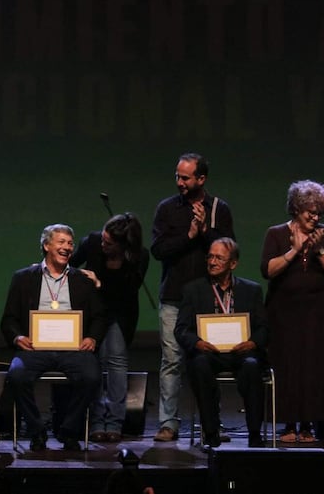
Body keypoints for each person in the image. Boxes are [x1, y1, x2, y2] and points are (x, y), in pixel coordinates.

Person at [0, 223, 108, 451]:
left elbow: (99, 317)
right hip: (35, 349)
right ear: (46, 245)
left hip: (74, 349)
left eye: (70, 243)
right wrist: (18, 337)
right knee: (17, 375)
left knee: (91, 376)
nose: (67, 247)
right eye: (61, 242)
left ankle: (68, 431)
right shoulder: (23, 278)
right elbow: (8, 319)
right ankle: (37, 431)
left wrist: (92, 338)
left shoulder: (83, 279)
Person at [151, 152, 235, 442]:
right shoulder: (167, 209)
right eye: (177, 176)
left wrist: (205, 232)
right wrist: (188, 235)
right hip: (174, 298)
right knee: (172, 360)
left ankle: (211, 425)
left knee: (207, 361)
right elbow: (158, 250)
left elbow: (228, 249)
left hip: (210, 300)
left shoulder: (218, 209)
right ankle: (168, 423)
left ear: (201, 179)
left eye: (185, 177)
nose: (180, 182)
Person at [259, 179, 324, 443]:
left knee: (314, 367)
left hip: (318, 313)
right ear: (297, 209)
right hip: (284, 312)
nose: (315, 217)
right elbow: (267, 271)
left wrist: (318, 250)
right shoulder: (276, 234)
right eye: (311, 212)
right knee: (287, 366)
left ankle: (308, 425)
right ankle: (289, 425)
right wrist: (294, 250)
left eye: (319, 213)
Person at [174, 238, 268, 448]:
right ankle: (211, 432)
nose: (212, 262)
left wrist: (252, 343)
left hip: (242, 352)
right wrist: (197, 343)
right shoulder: (193, 290)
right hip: (208, 353)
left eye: (219, 258)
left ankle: (254, 434)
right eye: (210, 256)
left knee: (252, 367)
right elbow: (181, 329)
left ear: (232, 263)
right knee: (199, 365)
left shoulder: (251, 290)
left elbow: (264, 328)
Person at [69, 212, 150, 443]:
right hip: (92, 312)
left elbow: (127, 291)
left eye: (109, 242)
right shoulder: (92, 242)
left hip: (119, 313)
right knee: (92, 362)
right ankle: (95, 421)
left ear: (124, 245)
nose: (103, 244)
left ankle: (114, 421)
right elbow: (70, 267)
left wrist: (99, 283)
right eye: (103, 239)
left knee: (115, 361)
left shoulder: (139, 257)